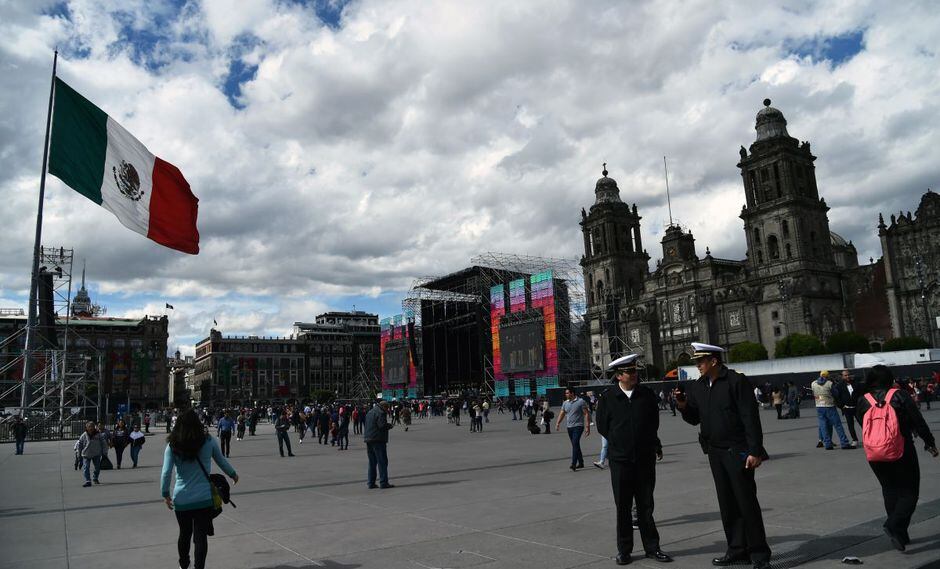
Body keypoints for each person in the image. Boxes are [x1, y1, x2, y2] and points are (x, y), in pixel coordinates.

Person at [675, 343, 771, 569]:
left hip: (737, 451)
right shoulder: (699, 386)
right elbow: (694, 418)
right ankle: (737, 549)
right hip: (715, 452)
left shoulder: (736, 381)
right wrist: (682, 406)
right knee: (727, 503)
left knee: (746, 503)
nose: (697, 365)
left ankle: (759, 554)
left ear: (714, 361)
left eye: (700, 361)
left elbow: (750, 418)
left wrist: (755, 451)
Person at [596, 354, 672, 565]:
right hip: (620, 461)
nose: (634, 374)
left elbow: (652, 422)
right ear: (619, 376)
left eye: (635, 371)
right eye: (630, 372)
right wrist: (619, 442)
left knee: (646, 506)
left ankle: (652, 547)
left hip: (644, 459)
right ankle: (624, 550)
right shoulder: (608, 398)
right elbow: (602, 425)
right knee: (623, 507)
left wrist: (653, 443)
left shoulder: (646, 395)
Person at [855, 365, 938, 551]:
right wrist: (929, 442)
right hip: (902, 449)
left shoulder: (863, 400)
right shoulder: (899, 395)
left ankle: (900, 534)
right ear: (889, 379)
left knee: (889, 490)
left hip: (875, 452)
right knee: (910, 492)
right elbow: (918, 420)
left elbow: (863, 424)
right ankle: (893, 525)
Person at [161, 409, 238, 569]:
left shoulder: (173, 445)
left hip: (181, 498)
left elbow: (166, 472)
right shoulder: (208, 441)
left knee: (184, 534)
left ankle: (184, 564)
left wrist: (165, 494)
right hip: (203, 499)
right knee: (200, 537)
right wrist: (233, 474)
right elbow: (221, 460)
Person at [812, 371, 852, 450]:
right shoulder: (829, 383)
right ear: (827, 376)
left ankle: (828, 444)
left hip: (819, 406)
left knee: (823, 426)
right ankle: (844, 443)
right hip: (829, 406)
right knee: (838, 425)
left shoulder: (813, 383)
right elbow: (836, 394)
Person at [556, 386, 591, 471]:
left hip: (578, 426)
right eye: (566, 393)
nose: (566, 394)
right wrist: (558, 423)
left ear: (572, 393)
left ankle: (574, 463)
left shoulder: (581, 402)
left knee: (575, 443)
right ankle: (581, 462)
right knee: (575, 445)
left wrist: (587, 426)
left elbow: (586, 413)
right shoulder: (565, 403)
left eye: (567, 393)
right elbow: (562, 413)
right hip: (569, 427)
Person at [364, 401, 394, 489]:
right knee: (382, 461)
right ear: (384, 407)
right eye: (387, 408)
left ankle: (371, 483)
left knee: (372, 462)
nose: (387, 410)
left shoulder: (370, 412)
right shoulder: (381, 413)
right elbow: (382, 426)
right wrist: (389, 426)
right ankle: (383, 482)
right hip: (378, 439)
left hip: (368, 439)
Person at [832, 370, 860, 448]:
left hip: (857, 408)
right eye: (845, 375)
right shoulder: (839, 386)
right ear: (842, 376)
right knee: (850, 425)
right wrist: (842, 406)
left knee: (863, 423)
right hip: (847, 409)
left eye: (848, 375)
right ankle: (855, 440)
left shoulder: (855, 383)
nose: (847, 377)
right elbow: (837, 398)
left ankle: (868, 438)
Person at [76, 421, 107, 487]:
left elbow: (103, 443)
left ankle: (95, 478)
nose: (91, 428)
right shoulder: (84, 435)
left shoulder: (98, 434)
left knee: (97, 467)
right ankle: (88, 481)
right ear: (86, 427)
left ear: (94, 427)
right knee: (86, 467)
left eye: (92, 426)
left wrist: (104, 452)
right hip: (86, 454)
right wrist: (79, 454)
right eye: (89, 426)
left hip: (96, 454)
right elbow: (79, 444)